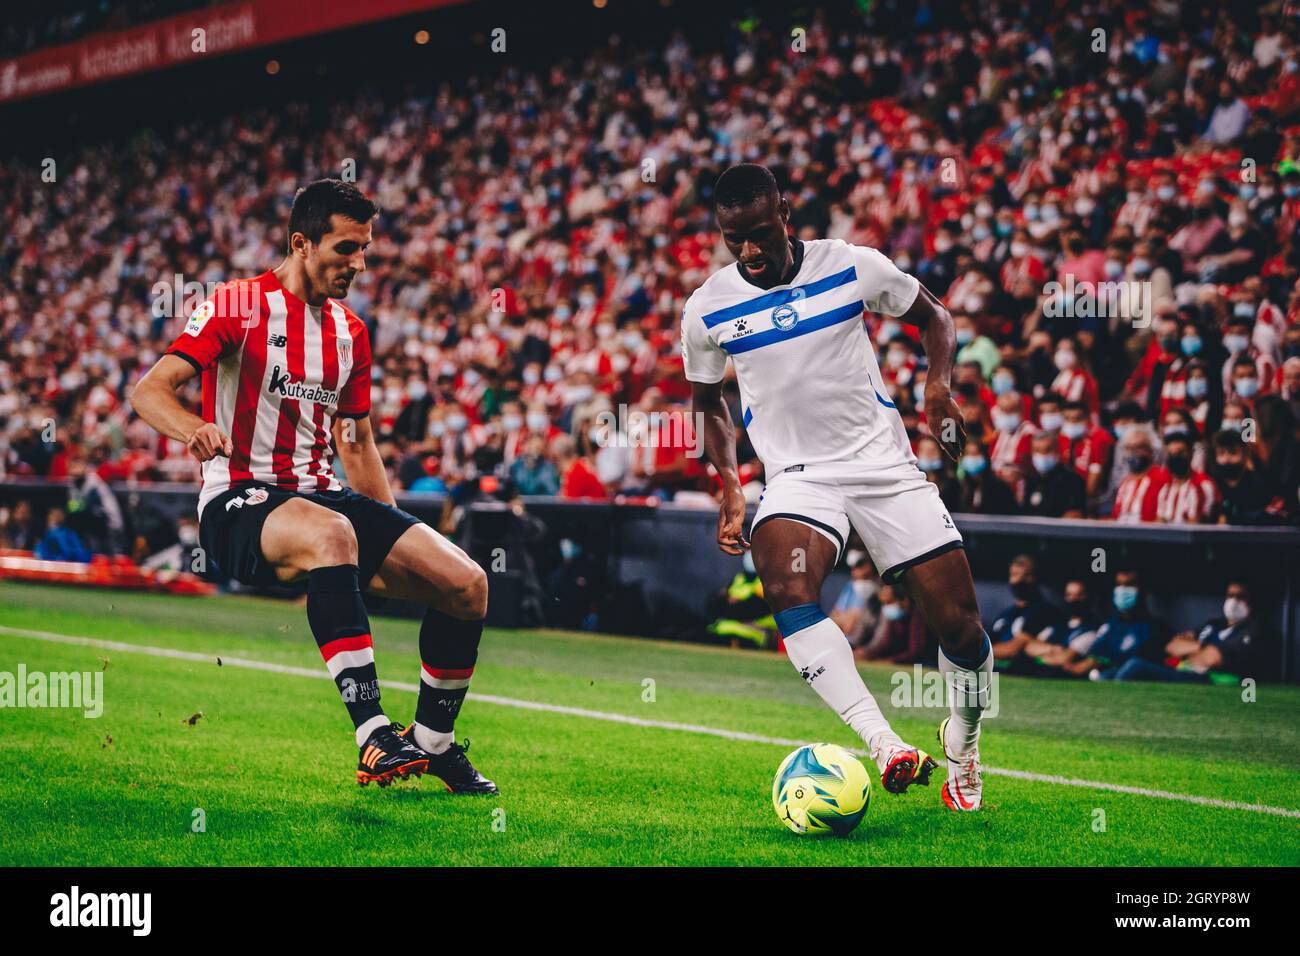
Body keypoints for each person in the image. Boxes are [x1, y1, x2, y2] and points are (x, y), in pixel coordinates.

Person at [129, 179, 496, 793]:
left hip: (326, 498)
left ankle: (432, 743)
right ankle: (373, 734)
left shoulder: (350, 331)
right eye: (345, 249)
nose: (359, 264)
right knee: (333, 532)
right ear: (301, 243)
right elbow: (149, 390)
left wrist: (398, 530)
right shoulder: (237, 304)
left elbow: (355, 442)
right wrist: (193, 428)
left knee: (466, 584)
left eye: (365, 250)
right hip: (240, 499)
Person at [686, 164, 992, 812]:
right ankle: (885, 746)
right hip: (799, 477)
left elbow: (933, 314)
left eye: (761, 234)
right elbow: (708, 400)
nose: (749, 251)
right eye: (733, 238)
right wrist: (731, 485)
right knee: (787, 587)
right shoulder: (707, 306)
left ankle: (962, 742)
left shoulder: (851, 265)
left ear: (787, 213)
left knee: (961, 631)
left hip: (883, 466)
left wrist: (937, 386)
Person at [1111, 581, 1262, 683]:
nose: (1233, 601)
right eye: (1230, 595)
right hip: (1184, 668)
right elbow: (1173, 646)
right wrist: (1203, 647)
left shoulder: (1251, 630)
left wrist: (1193, 650)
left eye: (1240, 596)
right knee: (1118, 668)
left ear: (1251, 600)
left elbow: (1213, 658)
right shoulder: (1214, 624)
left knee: (1135, 666)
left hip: (1206, 678)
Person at [988, 555, 1064, 672]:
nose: (1015, 581)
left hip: (1020, 672)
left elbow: (1012, 649)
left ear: (1032, 578)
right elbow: (987, 641)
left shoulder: (1043, 611)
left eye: (1020, 575)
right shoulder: (1006, 613)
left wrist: (979, 653)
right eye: (1013, 575)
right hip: (994, 670)